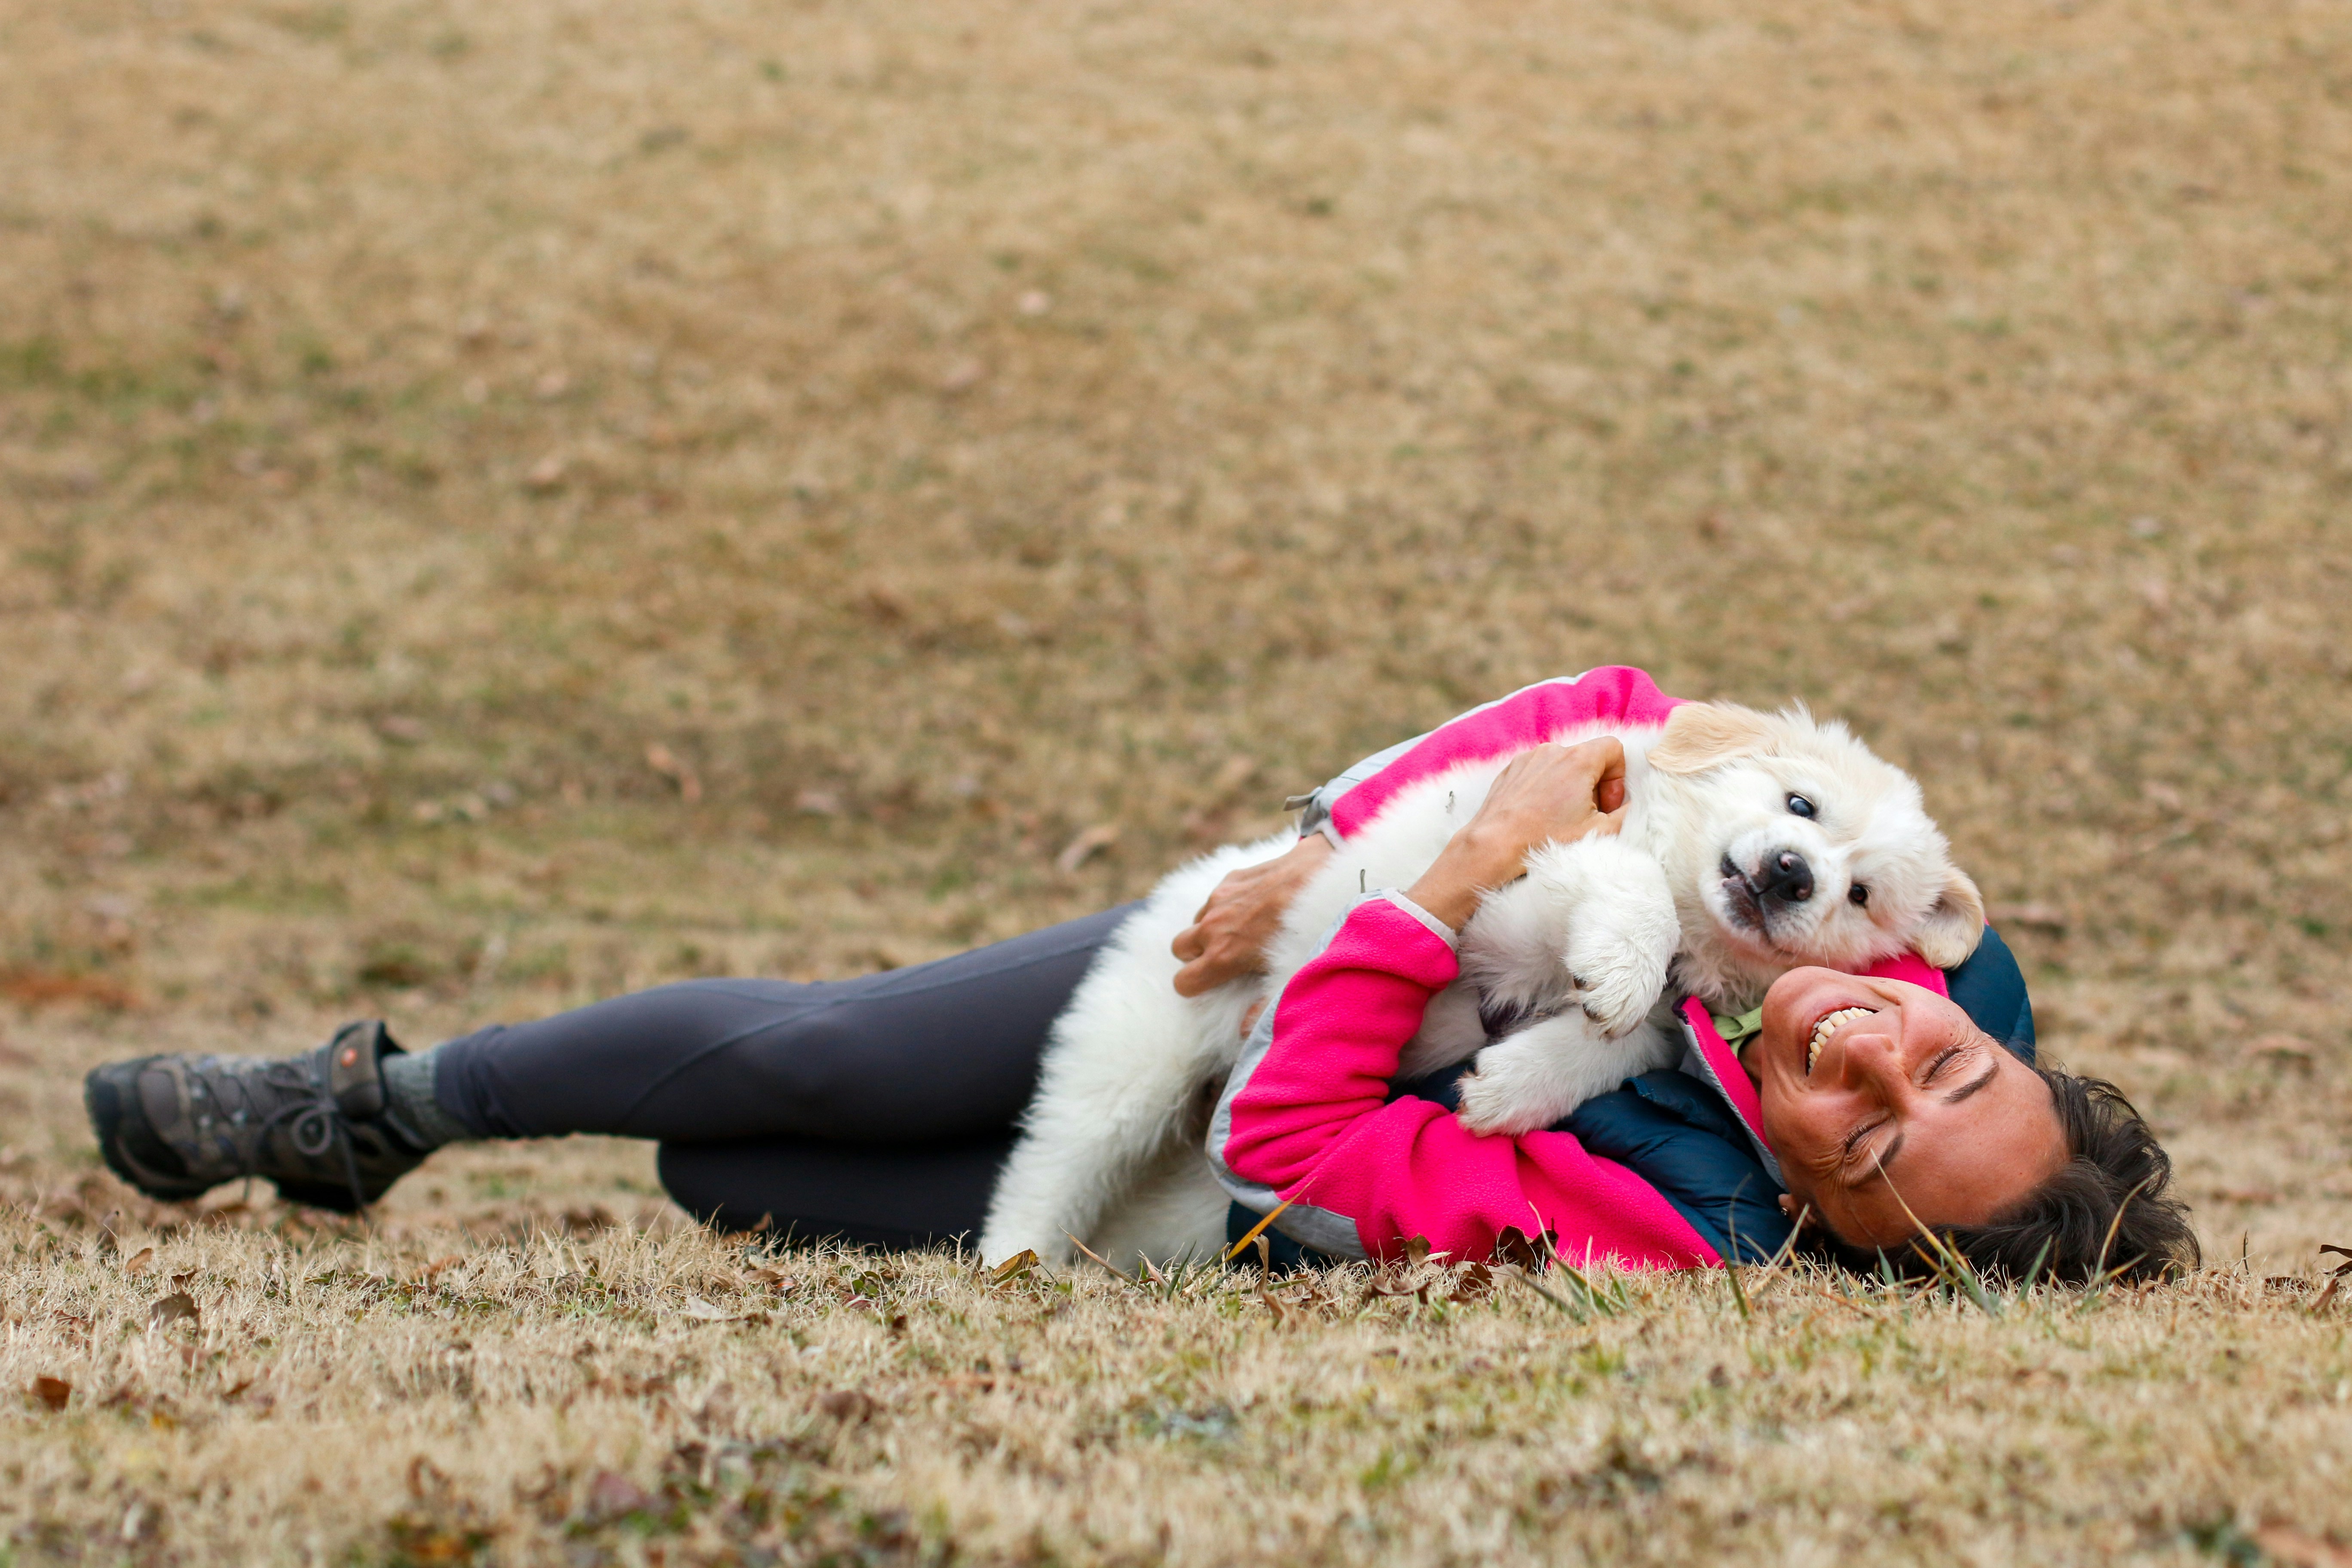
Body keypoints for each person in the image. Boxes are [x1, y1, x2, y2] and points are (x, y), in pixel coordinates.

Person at [82, 668, 2198, 1283]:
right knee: (821, 1067)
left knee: (728, 1182)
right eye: (1937, 1064)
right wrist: (1334, 852)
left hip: (1255, 1146)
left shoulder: (1673, 1227)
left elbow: (1302, 1144)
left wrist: (1425, 897)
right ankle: (367, 1108)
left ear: (1832, 1225)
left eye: (1878, 1140)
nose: (1871, 1060)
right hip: (1272, 950)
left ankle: (468, 1118)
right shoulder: (1913, 918)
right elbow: (1629, 703)